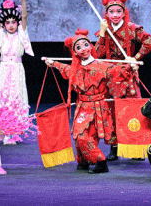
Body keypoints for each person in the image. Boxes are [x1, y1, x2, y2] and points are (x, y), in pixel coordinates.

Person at [45, 29, 137, 174]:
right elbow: (65, 68)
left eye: (85, 45)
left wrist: (130, 66)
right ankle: (84, 161)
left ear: (91, 46)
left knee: (84, 136)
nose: (83, 49)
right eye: (78, 47)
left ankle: (100, 161)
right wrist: (53, 63)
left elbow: (117, 71)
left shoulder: (101, 66)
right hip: (82, 106)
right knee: (79, 135)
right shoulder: (75, 69)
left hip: (98, 107)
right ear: (74, 52)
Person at [94, 0, 151, 160]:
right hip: (110, 76)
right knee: (111, 111)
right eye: (111, 12)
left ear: (123, 12)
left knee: (132, 110)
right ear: (107, 13)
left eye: (118, 11)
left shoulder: (131, 28)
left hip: (128, 74)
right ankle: (114, 148)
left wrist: (136, 58)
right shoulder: (105, 29)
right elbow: (97, 54)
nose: (115, 15)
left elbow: (150, 41)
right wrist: (102, 33)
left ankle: (135, 149)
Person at [0, 0, 33, 144]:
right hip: (4, 69)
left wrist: (23, 0)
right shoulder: (1, 34)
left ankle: (14, 131)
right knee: (4, 98)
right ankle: (3, 131)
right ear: (4, 24)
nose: (11, 25)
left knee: (16, 97)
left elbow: (24, 16)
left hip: (16, 69)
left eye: (13, 22)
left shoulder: (21, 33)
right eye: (7, 22)